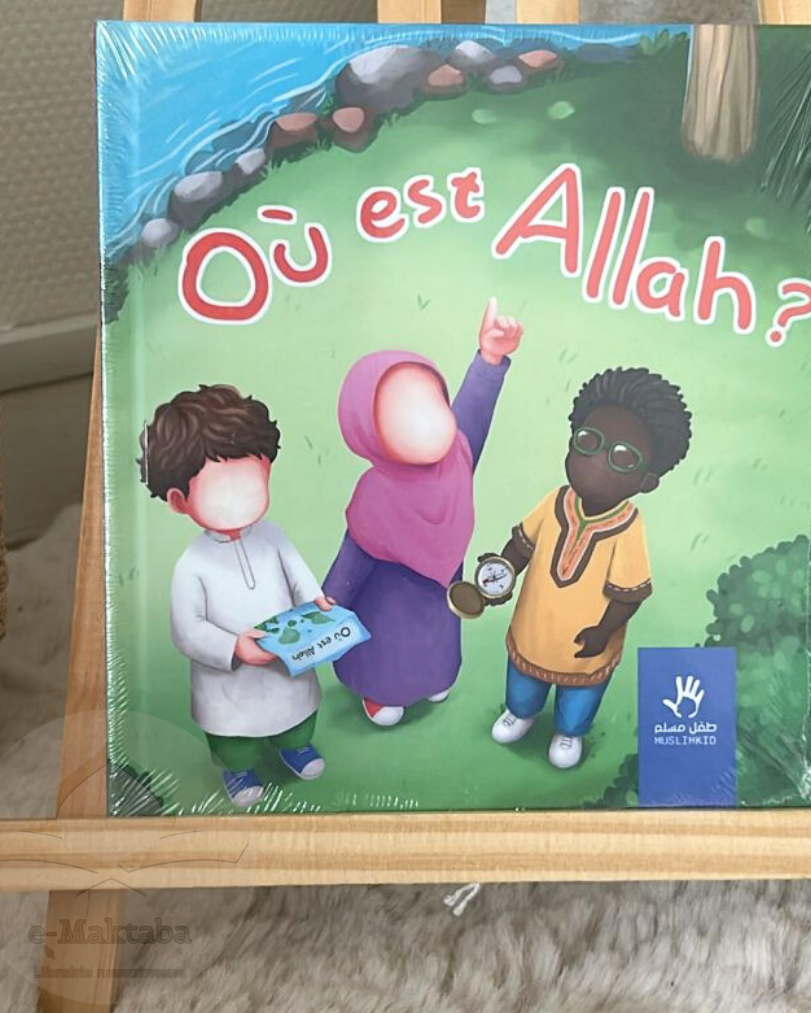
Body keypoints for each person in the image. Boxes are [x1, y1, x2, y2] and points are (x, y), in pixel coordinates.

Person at [323, 298, 523, 726]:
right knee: (387, 648)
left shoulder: (455, 460)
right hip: (388, 607)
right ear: (370, 433)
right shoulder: (375, 497)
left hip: (440, 599)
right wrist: (329, 604)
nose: (427, 421)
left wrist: (489, 359)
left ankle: (435, 677)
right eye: (403, 414)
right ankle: (380, 693)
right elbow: (350, 562)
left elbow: (473, 412)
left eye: (432, 403)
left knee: (438, 641)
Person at [139, 384, 334, 808]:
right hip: (228, 679)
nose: (240, 503)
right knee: (234, 737)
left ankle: (295, 747)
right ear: (179, 500)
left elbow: (298, 575)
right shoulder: (192, 565)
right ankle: (238, 768)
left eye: (250, 483)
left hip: (286, 657)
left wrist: (317, 601)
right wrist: (233, 647)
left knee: (297, 714)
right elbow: (187, 629)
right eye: (222, 492)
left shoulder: (273, 536)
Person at [487, 367, 692, 769]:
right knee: (523, 681)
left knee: (580, 695)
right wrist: (499, 574)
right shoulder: (554, 501)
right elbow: (521, 546)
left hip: (588, 643)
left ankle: (568, 732)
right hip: (533, 627)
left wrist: (604, 631)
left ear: (647, 481)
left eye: (622, 457)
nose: (597, 460)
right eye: (588, 441)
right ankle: (521, 713)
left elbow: (629, 594)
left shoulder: (628, 527)